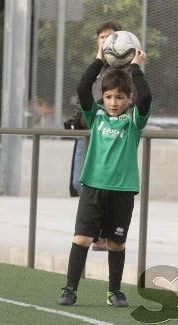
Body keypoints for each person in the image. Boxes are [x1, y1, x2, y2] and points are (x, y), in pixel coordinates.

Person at [57, 45, 151, 307]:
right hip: (93, 188)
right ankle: (70, 289)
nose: (113, 103)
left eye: (119, 97)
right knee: (82, 238)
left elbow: (146, 99)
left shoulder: (134, 120)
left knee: (116, 243)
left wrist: (135, 68)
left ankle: (114, 292)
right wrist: (98, 60)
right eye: (108, 97)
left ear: (128, 99)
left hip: (122, 190)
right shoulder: (95, 116)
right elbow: (82, 89)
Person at [67, 21, 123, 251]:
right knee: (78, 182)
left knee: (100, 184)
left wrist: (89, 117)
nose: (104, 41)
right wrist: (76, 119)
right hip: (85, 133)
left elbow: (112, 103)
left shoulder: (121, 71)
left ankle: (99, 234)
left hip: (104, 135)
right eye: (101, 37)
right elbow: (83, 95)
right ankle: (95, 230)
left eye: (109, 37)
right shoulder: (95, 68)